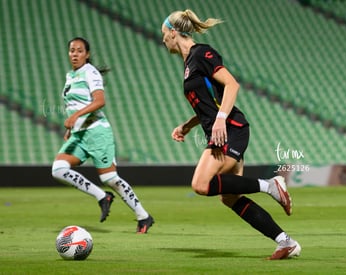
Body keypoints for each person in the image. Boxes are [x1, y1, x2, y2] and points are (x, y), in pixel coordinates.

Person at [161, 10, 301, 260]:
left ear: (173, 32)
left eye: (164, 35)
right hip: (223, 130)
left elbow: (232, 84)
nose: (163, 40)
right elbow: (208, 105)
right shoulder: (188, 64)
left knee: (200, 184)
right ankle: (285, 242)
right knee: (229, 198)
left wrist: (221, 120)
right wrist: (187, 125)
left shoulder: (201, 53)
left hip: (231, 129)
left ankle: (270, 185)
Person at [51, 37, 154, 234]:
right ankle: (101, 197)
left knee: (110, 178)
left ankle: (144, 216)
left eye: (79, 50)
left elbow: (99, 101)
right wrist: (71, 126)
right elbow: (75, 104)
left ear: (87, 54)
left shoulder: (90, 72)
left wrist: (76, 116)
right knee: (58, 169)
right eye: (72, 50)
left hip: (97, 132)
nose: (74, 54)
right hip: (79, 135)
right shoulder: (70, 75)